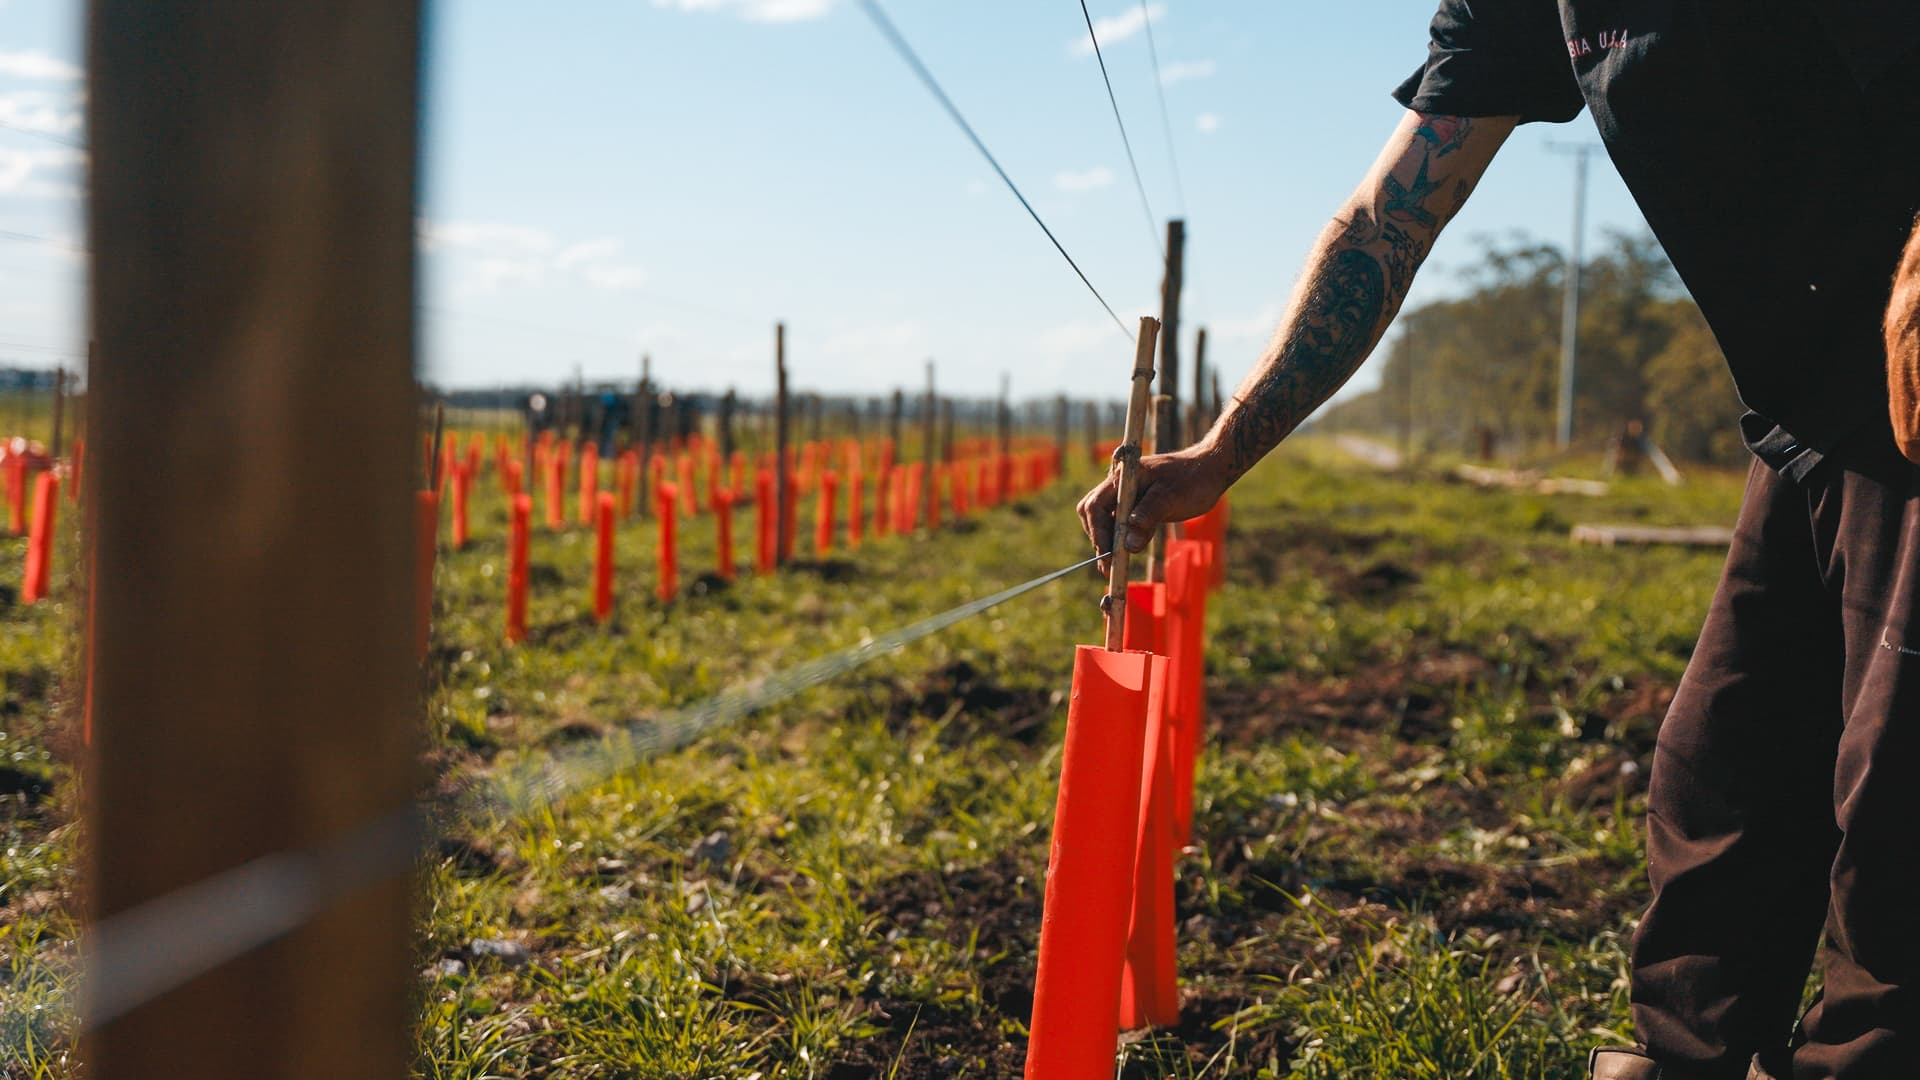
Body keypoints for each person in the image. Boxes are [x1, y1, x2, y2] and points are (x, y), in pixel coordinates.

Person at [1077, 5, 1920, 1078]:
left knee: (1897, 808)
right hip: (1805, 423)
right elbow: (1388, 219)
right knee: (1717, 789)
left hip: (1913, 399)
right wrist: (1218, 455)